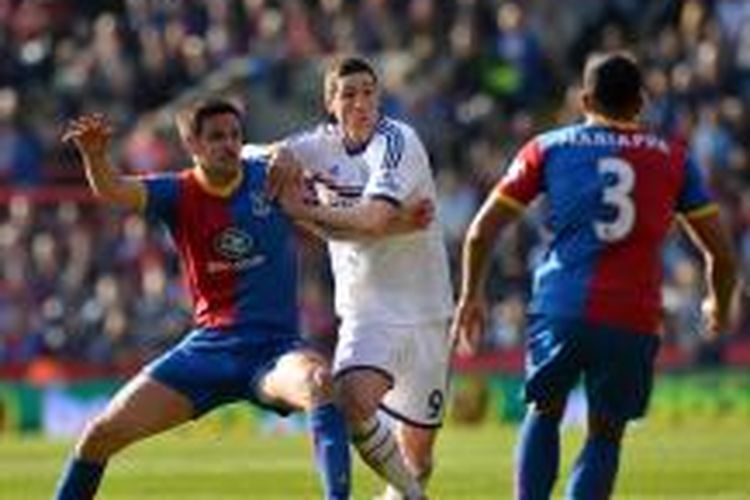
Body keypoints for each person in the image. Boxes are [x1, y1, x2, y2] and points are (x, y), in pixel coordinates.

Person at [451, 52, 737, 500]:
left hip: (561, 306)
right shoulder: (676, 160)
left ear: (584, 98)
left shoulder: (547, 147)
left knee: (544, 411)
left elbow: (479, 233)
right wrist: (719, 302)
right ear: (641, 102)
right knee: (605, 434)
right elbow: (721, 252)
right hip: (632, 316)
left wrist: (471, 296)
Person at [54, 99, 352, 500]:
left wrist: (288, 155)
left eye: (234, 135)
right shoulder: (176, 192)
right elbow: (113, 189)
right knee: (98, 436)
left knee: (319, 382)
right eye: (216, 137)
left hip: (274, 351)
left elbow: (318, 161)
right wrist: (94, 157)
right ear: (191, 143)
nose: (229, 144)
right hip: (209, 350)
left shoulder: (271, 176)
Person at [272, 56, 454, 500]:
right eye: (348, 94)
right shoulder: (317, 146)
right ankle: (414, 496)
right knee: (351, 404)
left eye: (368, 92)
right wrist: (276, 158)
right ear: (329, 103)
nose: (361, 102)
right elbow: (261, 156)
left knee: (419, 457)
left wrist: (302, 212)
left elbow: (372, 221)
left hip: (427, 311)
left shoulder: (397, 141)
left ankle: (408, 490)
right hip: (367, 313)